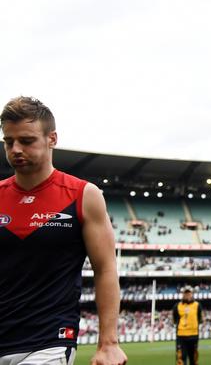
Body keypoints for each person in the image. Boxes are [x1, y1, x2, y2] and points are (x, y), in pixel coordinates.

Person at [0, 96, 127, 365]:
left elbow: (105, 268)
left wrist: (109, 343)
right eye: (8, 141)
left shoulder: (83, 195)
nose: (15, 149)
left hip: (48, 343)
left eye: (26, 140)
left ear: (52, 138)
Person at [173, 286, 203, 365]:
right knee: (180, 359)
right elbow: (174, 320)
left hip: (193, 335)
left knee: (194, 359)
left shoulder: (197, 305)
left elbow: (200, 319)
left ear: (192, 294)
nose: (187, 295)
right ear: (182, 294)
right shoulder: (177, 306)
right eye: (185, 293)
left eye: (189, 293)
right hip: (181, 336)